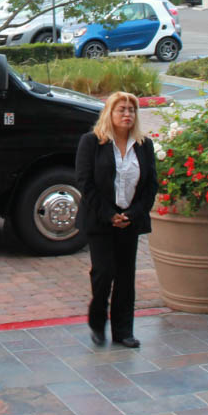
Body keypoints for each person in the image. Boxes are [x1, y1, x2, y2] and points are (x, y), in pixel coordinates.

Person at [76, 91, 158, 349]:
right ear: (109, 114)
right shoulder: (91, 142)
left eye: (131, 110)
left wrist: (131, 214)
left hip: (130, 220)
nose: (127, 114)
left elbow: (150, 186)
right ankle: (98, 324)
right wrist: (110, 215)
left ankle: (124, 331)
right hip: (100, 219)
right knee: (104, 274)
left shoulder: (144, 145)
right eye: (121, 109)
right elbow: (85, 183)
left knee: (125, 276)